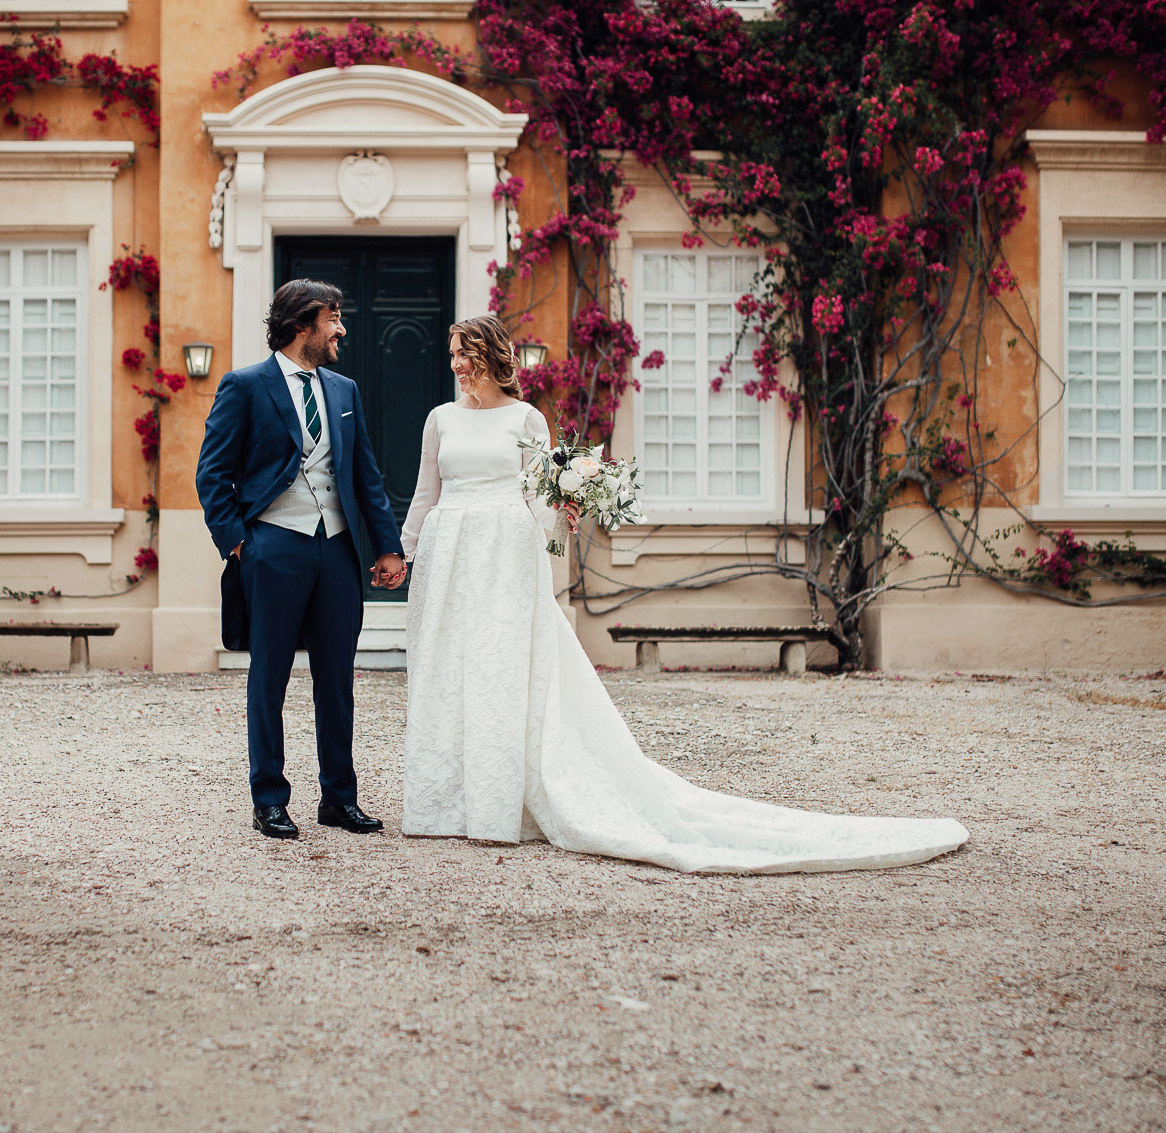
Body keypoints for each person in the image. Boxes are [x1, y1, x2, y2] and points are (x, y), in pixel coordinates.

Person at [397, 314, 968, 873]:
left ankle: (498, 805)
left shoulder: (527, 419)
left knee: (499, 669)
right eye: (451, 356)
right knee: (450, 670)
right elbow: (426, 493)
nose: (456, 367)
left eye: (464, 356)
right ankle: (445, 802)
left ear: (494, 357)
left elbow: (539, 499)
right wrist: (405, 553)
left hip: (504, 554)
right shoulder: (438, 418)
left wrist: (560, 515)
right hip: (450, 555)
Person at [195, 279, 408, 840]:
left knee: (336, 679)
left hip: (336, 549)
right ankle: (269, 799)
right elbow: (211, 474)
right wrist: (239, 542)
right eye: (332, 319)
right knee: (269, 678)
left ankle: (339, 798)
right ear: (301, 324)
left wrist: (387, 546)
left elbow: (365, 474)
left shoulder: (344, 390)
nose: (341, 329)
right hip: (273, 547)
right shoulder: (244, 386)